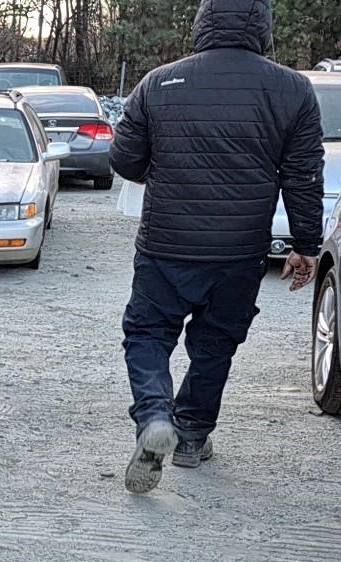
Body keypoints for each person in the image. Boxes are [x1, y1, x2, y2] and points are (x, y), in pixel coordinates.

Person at [109, 0, 324, 494]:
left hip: (166, 244)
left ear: (203, 23)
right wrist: (305, 245)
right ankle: (190, 436)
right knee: (215, 345)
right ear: (264, 28)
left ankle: (154, 415)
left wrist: (160, 170)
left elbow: (124, 160)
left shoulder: (159, 82)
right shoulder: (293, 88)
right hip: (240, 250)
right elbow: (303, 175)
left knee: (147, 332)